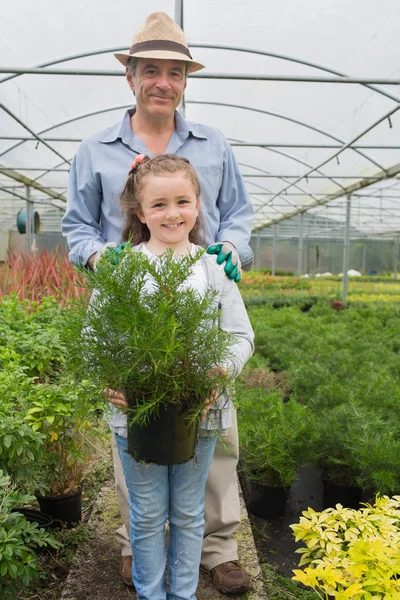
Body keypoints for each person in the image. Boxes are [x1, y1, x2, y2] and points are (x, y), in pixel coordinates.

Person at [61, 11, 254, 595]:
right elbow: (76, 229)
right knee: (137, 440)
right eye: (150, 70)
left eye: (174, 71)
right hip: (130, 300)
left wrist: (230, 252)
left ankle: (215, 553)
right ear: (131, 77)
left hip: (203, 294)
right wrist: (102, 260)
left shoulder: (214, 144)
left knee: (213, 443)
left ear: (185, 80)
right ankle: (138, 545)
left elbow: (240, 217)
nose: (162, 81)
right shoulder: (95, 148)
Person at [107, 153, 254, 600]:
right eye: (159, 205)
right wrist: (111, 379)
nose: (172, 213)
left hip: (201, 410)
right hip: (138, 414)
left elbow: (241, 335)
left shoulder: (213, 268)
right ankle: (151, 594)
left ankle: (183, 594)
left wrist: (221, 369)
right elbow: (100, 334)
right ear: (140, 213)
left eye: (183, 201)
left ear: (197, 204)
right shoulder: (124, 269)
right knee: (148, 515)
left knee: (190, 513)